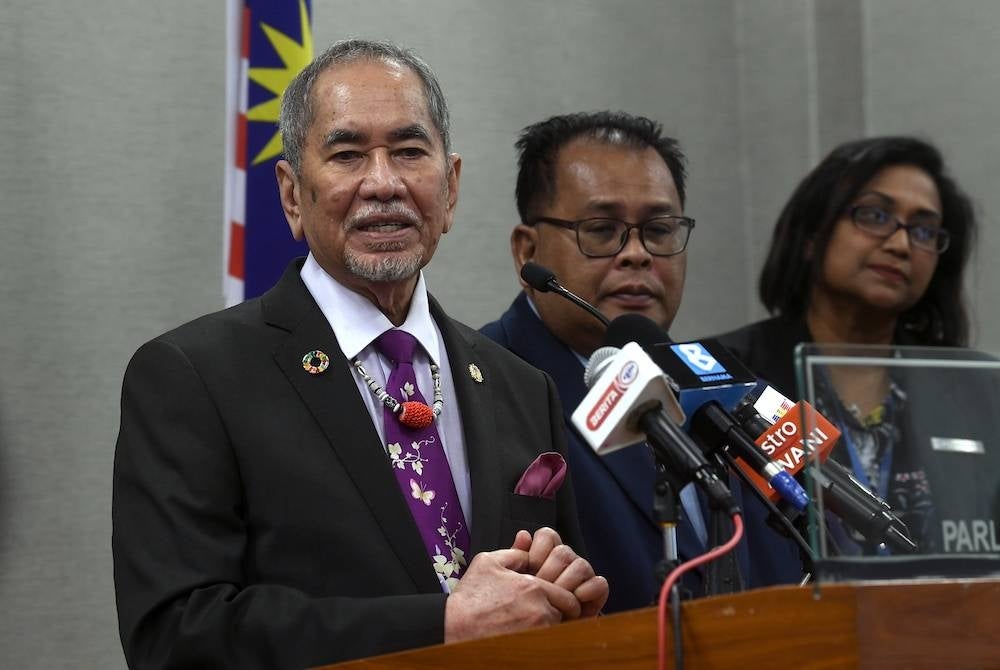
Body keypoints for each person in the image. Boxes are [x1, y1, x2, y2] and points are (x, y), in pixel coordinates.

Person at [112, 39, 606, 669]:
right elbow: (176, 636)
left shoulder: (520, 385)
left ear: (450, 188)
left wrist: (561, 600)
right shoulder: (193, 376)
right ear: (292, 195)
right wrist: (443, 624)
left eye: (409, 151)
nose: (383, 183)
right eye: (347, 155)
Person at [481, 112, 803, 613]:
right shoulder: (482, 386)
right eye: (602, 230)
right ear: (528, 250)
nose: (637, 255)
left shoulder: (730, 387)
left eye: (658, 229)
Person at [716, 135, 985, 554]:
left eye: (924, 230)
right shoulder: (731, 373)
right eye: (875, 215)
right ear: (811, 234)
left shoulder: (977, 390)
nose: (900, 245)